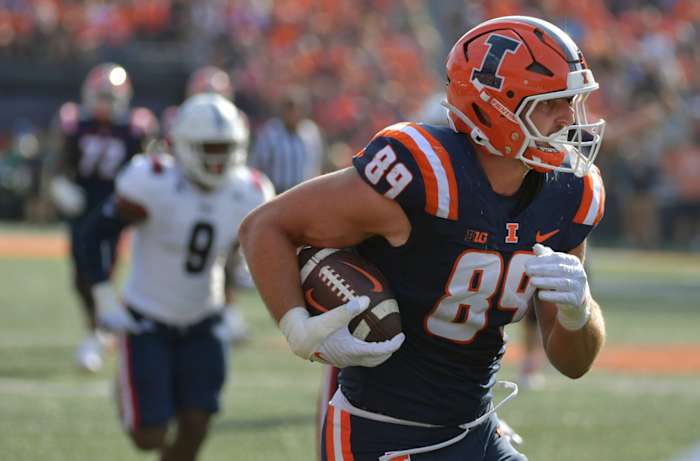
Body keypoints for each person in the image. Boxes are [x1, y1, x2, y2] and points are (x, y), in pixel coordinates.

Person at [240, 15, 607, 461]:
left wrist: (578, 311)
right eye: (553, 103)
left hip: (477, 431)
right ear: (497, 107)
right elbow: (266, 226)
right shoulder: (424, 173)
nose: (570, 118)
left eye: (572, 101)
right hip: (380, 435)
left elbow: (572, 364)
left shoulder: (571, 193)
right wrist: (296, 327)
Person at [79, 93, 273, 461]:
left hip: (204, 319)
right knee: (149, 436)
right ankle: (125, 391)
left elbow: (239, 251)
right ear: (182, 146)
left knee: (197, 425)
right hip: (147, 317)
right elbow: (94, 237)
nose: (218, 159)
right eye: (209, 148)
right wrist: (104, 298)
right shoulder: (152, 180)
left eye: (226, 148)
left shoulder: (249, 189)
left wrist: (237, 286)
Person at [47, 62, 158, 372]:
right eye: (99, 96)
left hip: (114, 208)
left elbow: (150, 167)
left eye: (109, 96)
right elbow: (56, 164)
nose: (103, 103)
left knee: (104, 269)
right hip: (81, 208)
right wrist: (60, 186)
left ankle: (98, 333)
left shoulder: (135, 127)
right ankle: (98, 327)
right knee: (79, 275)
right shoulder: (74, 123)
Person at [248, 89, 323, 194]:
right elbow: (258, 164)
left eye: (299, 108)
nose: (294, 113)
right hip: (277, 191)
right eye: (290, 108)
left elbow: (315, 165)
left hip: (303, 191)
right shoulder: (270, 132)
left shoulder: (310, 132)